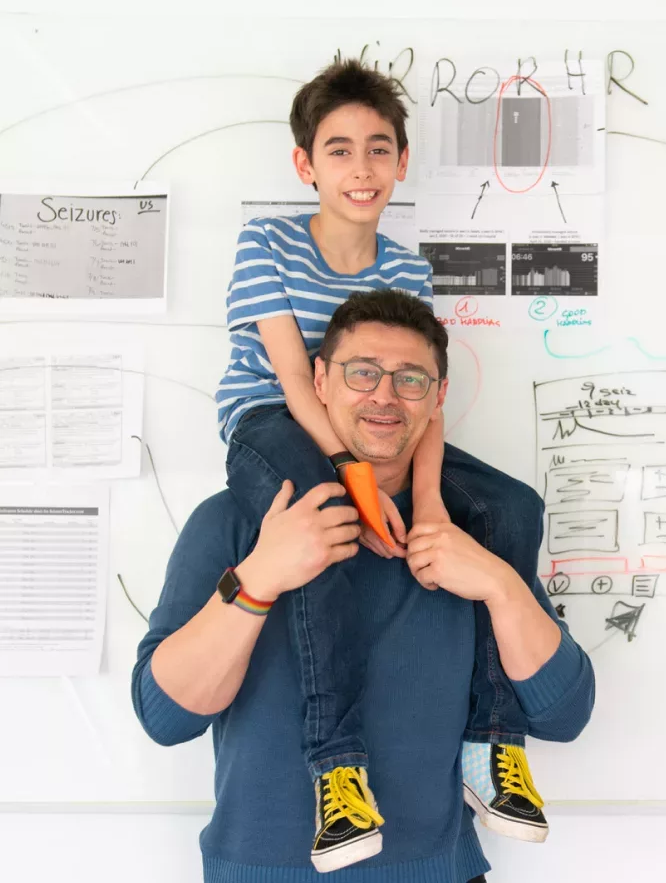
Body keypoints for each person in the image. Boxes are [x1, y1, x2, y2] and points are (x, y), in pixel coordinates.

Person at [209, 57, 564, 871]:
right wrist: (352, 475)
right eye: (338, 150)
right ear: (306, 166)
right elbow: (298, 378)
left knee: (510, 508)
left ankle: (490, 741)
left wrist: (431, 501)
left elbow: (423, 395)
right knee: (328, 531)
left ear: (402, 162)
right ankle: (338, 764)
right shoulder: (264, 242)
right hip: (272, 418)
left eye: (378, 149)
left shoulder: (406, 269)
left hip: (376, 433)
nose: (360, 169)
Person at [132, 288, 595, 883]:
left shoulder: (476, 525)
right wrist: (258, 579)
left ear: (438, 397)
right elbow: (165, 718)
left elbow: (564, 715)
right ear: (318, 381)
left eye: (410, 379)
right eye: (362, 373)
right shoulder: (234, 521)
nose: (384, 395)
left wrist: (503, 587)